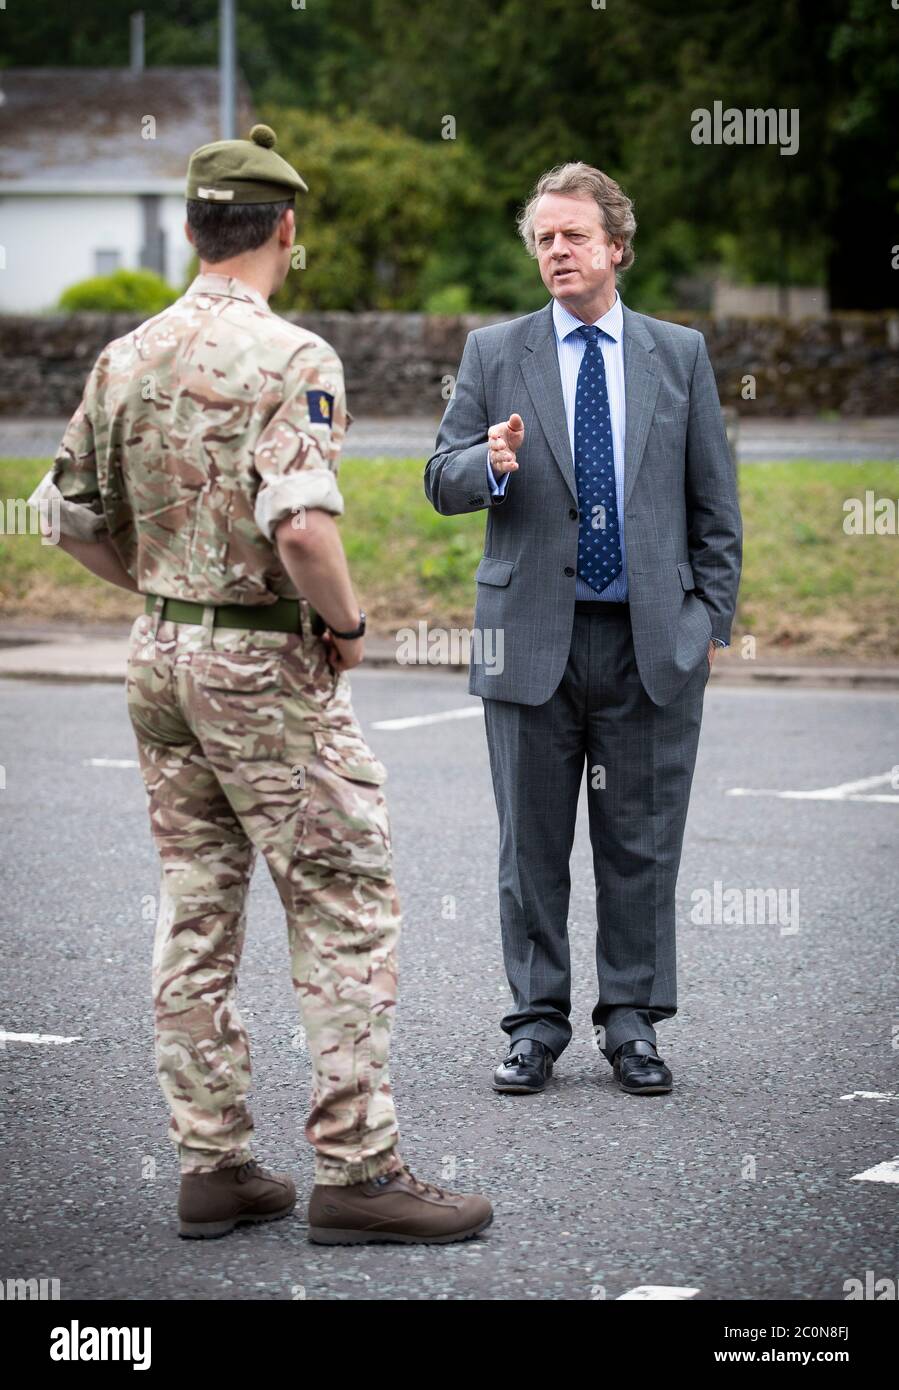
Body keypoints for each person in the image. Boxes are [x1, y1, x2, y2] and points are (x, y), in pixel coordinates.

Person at [28, 123, 491, 1245]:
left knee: (196, 904)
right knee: (342, 896)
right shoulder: (294, 358)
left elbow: (61, 515)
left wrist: (164, 585)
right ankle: (357, 1169)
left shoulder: (123, 353)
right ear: (286, 228)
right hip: (260, 663)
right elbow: (302, 531)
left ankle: (213, 1162)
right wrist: (348, 624)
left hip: (160, 656)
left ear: (191, 230)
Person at [425, 162, 742, 1098]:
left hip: (649, 643)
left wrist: (706, 622)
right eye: (541, 239)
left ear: (615, 246)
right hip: (527, 640)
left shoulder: (675, 354)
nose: (554, 251)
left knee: (640, 845)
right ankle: (534, 1024)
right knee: (529, 850)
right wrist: (485, 460)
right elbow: (437, 479)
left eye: (571, 235)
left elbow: (713, 506)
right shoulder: (494, 352)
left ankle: (633, 1022)